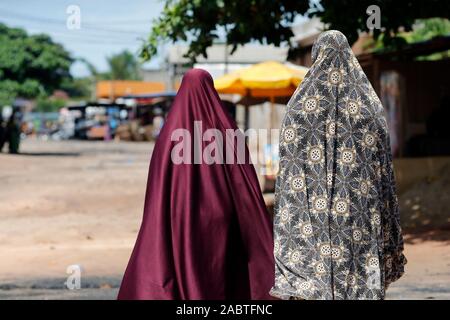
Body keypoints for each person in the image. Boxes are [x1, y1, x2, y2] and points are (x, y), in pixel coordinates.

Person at [271, 30, 406, 300]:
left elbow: (287, 173)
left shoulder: (299, 107)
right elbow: (384, 171)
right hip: (359, 216)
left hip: (309, 220)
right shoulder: (369, 106)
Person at [118, 69, 274, 300]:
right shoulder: (227, 130)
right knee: (217, 272)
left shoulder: (170, 132)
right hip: (222, 217)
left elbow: (159, 183)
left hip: (179, 216)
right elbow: (243, 181)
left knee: (184, 264)